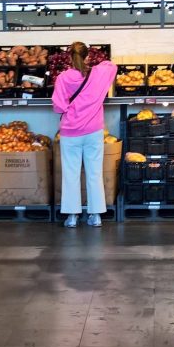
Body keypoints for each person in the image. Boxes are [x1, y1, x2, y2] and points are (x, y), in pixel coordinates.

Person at [52, 42, 117, 227]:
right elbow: (112, 66)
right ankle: (95, 215)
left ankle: (72, 217)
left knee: (70, 174)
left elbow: (58, 106)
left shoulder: (63, 78)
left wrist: (70, 109)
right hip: (94, 131)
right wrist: (93, 65)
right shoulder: (98, 73)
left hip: (70, 132)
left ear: (69, 58)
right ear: (87, 56)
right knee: (94, 173)